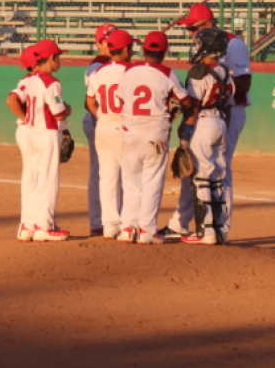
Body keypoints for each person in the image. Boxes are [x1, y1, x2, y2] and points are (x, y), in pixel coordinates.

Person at [172, 3, 252, 243]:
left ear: (207, 25)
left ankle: (218, 227)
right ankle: (182, 223)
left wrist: (217, 101)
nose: (191, 34)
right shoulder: (209, 58)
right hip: (215, 113)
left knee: (218, 172)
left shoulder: (233, 44)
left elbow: (244, 83)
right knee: (200, 169)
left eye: (193, 29)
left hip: (225, 111)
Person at [115, 31, 195, 245]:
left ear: (143, 50)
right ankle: (147, 230)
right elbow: (186, 101)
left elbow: (120, 97)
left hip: (130, 132)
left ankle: (126, 228)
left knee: (131, 183)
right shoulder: (168, 74)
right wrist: (174, 106)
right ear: (165, 51)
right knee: (152, 182)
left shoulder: (130, 71)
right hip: (155, 134)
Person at [173, 27, 234, 246]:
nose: (196, 47)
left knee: (201, 178)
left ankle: (205, 232)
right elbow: (229, 102)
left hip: (204, 123)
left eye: (199, 44)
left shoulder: (199, 72)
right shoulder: (224, 71)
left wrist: (184, 135)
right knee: (217, 178)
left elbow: (193, 107)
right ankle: (219, 231)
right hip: (220, 122)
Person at [6, 39, 71, 242]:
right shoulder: (52, 83)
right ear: (52, 59)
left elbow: (11, 100)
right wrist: (69, 108)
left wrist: (26, 119)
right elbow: (59, 113)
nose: (60, 60)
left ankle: (27, 225)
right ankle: (44, 226)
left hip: (31, 132)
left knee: (31, 179)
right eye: (58, 56)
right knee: (48, 180)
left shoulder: (27, 80)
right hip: (47, 132)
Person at [84, 28, 136, 240]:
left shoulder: (98, 71)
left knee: (107, 177)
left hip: (103, 122)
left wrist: (102, 117)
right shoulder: (133, 71)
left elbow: (88, 101)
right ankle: (128, 224)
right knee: (130, 176)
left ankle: (108, 225)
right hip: (123, 124)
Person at [82, 23, 118, 237]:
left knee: (113, 173)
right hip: (99, 120)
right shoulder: (96, 67)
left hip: (107, 121)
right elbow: (92, 101)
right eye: (107, 40)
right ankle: (99, 222)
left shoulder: (111, 64)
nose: (111, 43)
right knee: (101, 173)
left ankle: (111, 220)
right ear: (99, 43)